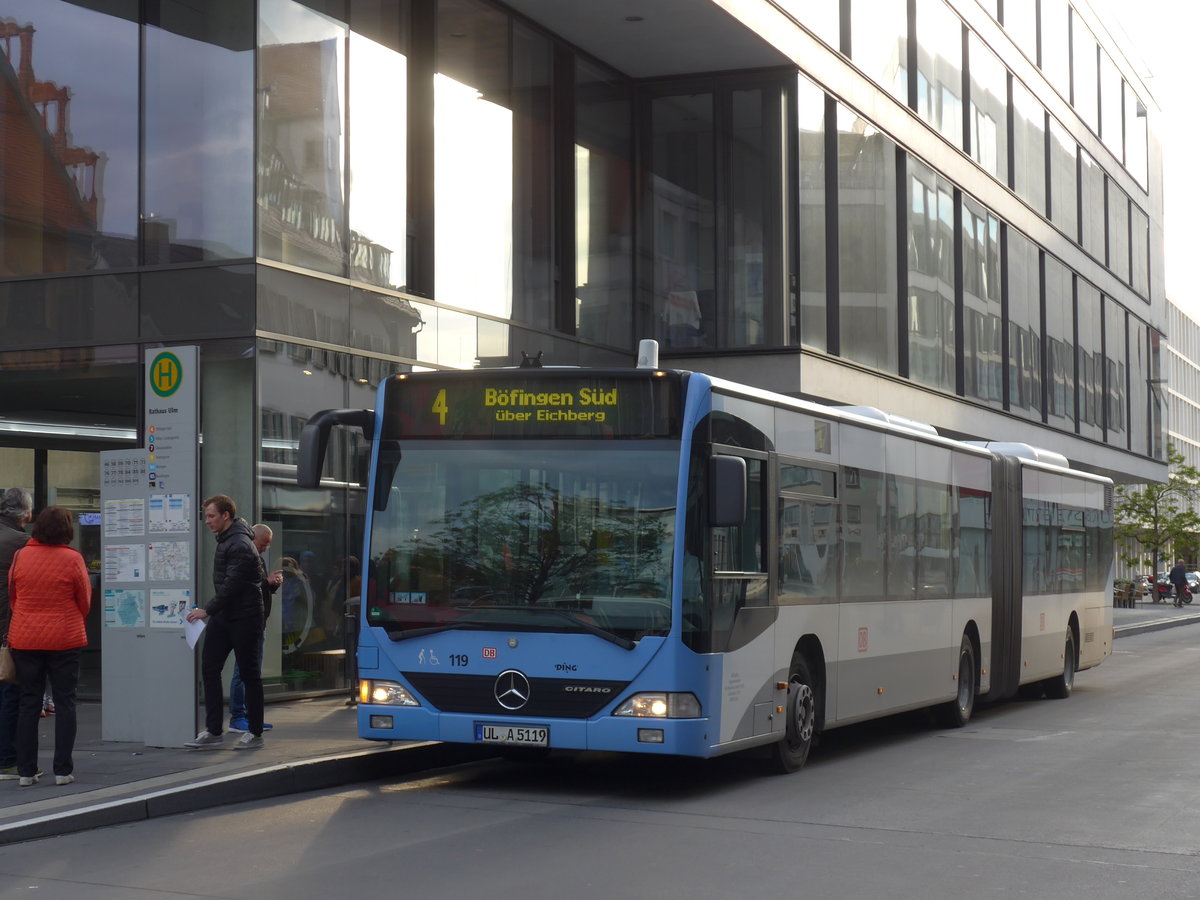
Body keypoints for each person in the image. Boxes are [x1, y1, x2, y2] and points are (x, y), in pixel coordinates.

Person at [7, 506, 91, 786]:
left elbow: (13, 596)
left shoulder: (21, 556)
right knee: (65, 702)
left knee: (28, 703)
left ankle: (26, 772)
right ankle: (62, 770)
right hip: (64, 638)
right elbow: (84, 601)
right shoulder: (73, 558)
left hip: (25, 638)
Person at [185, 496, 265, 750]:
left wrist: (206, 610)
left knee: (249, 674)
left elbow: (231, 585)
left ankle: (255, 732)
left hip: (244, 617)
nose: (207, 521)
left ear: (226, 516)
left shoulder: (240, 543)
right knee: (209, 668)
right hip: (225, 616)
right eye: (206, 516)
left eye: (211, 516)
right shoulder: (227, 539)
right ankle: (213, 730)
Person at [228, 524, 281, 733]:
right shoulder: (245, 556)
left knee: (251, 674)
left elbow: (259, 589)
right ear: (254, 538)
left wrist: (272, 585)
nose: (266, 548)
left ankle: (251, 717)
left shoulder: (256, 557)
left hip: (258, 621)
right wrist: (266, 583)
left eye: (268, 545)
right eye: (263, 544)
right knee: (242, 672)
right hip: (247, 622)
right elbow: (243, 589)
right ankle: (238, 717)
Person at [0, 488, 33, 780]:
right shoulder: (22, 543)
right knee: (11, 691)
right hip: (8, 627)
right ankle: (7, 760)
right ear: (26, 513)